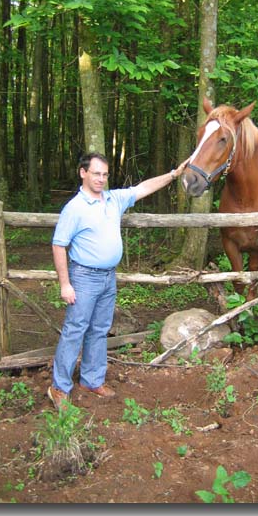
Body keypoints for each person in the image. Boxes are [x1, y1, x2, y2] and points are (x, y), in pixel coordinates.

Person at [48, 152, 190, 410]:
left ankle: (92, 380)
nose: (101, 179)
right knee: (74, 330)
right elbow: (59, 245)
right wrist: (65, 284)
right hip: (83, 277)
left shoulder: (114, 199)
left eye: (105, 174)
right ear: (83, 173)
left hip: (107, 277)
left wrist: (173, 175)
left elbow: (144, 187)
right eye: (96, 174)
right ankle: (59, 387)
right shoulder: (75, 208)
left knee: (100, 330)